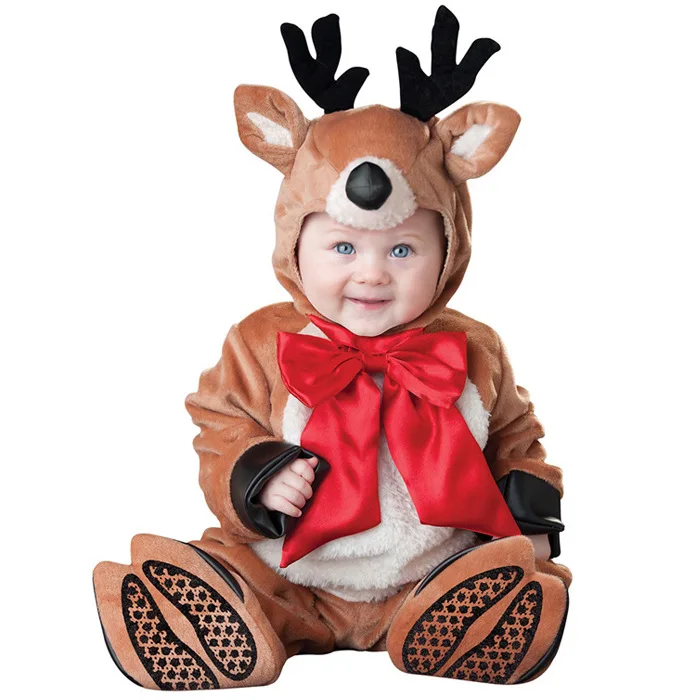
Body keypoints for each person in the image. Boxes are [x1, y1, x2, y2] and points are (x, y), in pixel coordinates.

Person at [92, 8, 572, 690]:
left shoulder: (472, 347)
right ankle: (212, 616)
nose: (371, 274)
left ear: (449, 249)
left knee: (495, 571)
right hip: (289, 572)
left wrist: (529, 516)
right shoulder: (261, 341)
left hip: (426, 573)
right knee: (241, 572)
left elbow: (516, 436)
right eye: (343, 247)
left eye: (402, 250)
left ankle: (472, 617)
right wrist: (256, 476)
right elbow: (219, 423)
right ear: (296, 240)